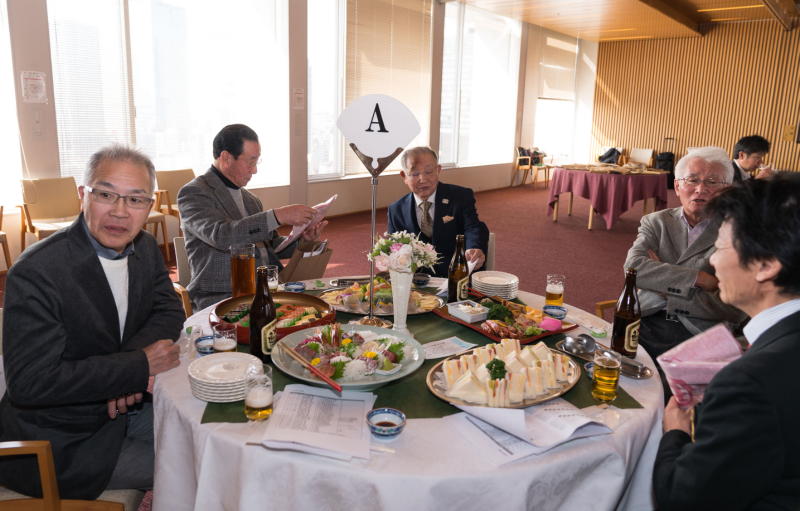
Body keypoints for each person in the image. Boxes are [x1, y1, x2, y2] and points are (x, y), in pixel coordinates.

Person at [0, 146, 184, 499]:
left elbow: (168, 310)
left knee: (210, 430)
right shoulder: (37, 272)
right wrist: (136, 366)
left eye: (135, 200)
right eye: (106, 194)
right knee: (196, 461)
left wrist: (129, 370)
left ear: (149, 206)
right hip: (63, 440)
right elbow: (31, 383)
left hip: (125, 408)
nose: (119, 211)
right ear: (83, 194)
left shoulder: (145, 247)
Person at [653, 173, 800, 510]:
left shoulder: (749, 382)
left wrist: (675, 431)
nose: (712, 261)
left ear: (765, 265)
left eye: (719, 248)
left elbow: (682, 498)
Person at [179, 124, 327, 309]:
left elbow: (270, 247)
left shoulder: (251, 200)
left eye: (257, 162)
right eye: (250, 162)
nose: (255, 170)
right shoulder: (194, 193)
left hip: (264, 290)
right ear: (226, 158)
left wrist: (301, 240)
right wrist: (277, 216)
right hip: (222, 295)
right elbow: (220, 236)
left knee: (319, 309)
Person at [623, 147, 746, 364]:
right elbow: (633, 269)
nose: (700, 189)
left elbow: (736, 307)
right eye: (692, 180)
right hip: (645, 317)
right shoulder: (656, 222)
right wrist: (700, 278)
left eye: (712, 182)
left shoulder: (738, 231)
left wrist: (663, 287)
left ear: (726, 190)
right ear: (677, 186)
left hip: (701, 332)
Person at [387, 147, 489, 277]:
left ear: (438, 170)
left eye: (429, 172)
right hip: (416, 281)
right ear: (404, 176)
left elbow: (473, 227)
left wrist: (473, 248)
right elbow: (395, 248)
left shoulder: (461, 196)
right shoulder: (396, 210)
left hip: (456, 276)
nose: (423, 179)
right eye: (415, 174)